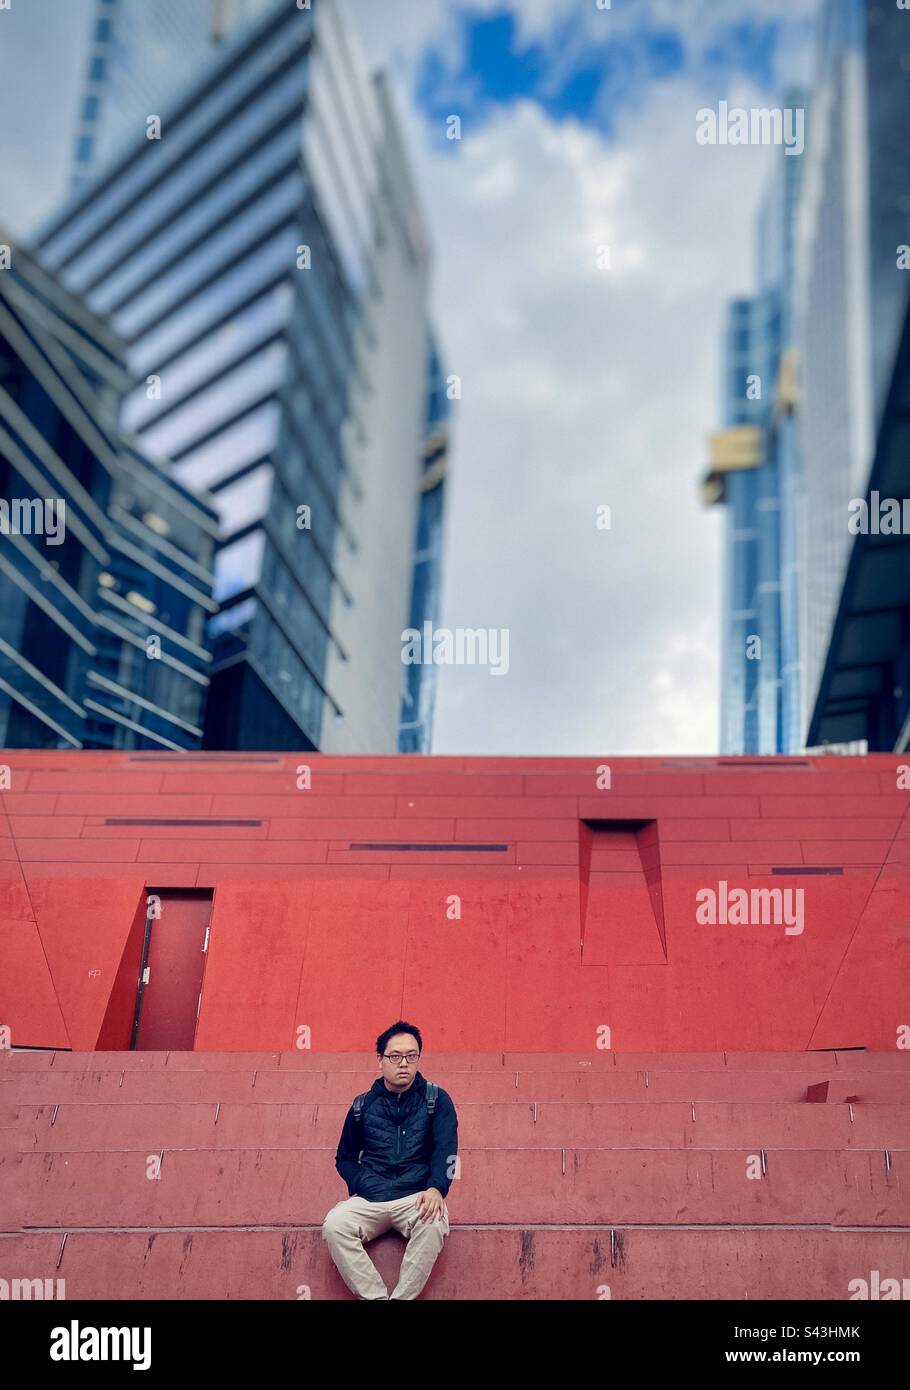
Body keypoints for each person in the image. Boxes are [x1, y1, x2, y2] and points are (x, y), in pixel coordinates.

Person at [322, 1020, 458, 1300]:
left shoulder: (437, 1099)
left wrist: (436, 1189)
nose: (404, 1063)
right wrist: (363, 1181)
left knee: (434, 1222)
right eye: (395, 1056)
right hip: (370, 1198)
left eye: (411, 1056)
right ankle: (375, 1298)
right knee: (335, 1224)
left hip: (415, 1196)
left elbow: (447, 1152)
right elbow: (344, 1158)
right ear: (380, 1060)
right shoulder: (362, 1105)